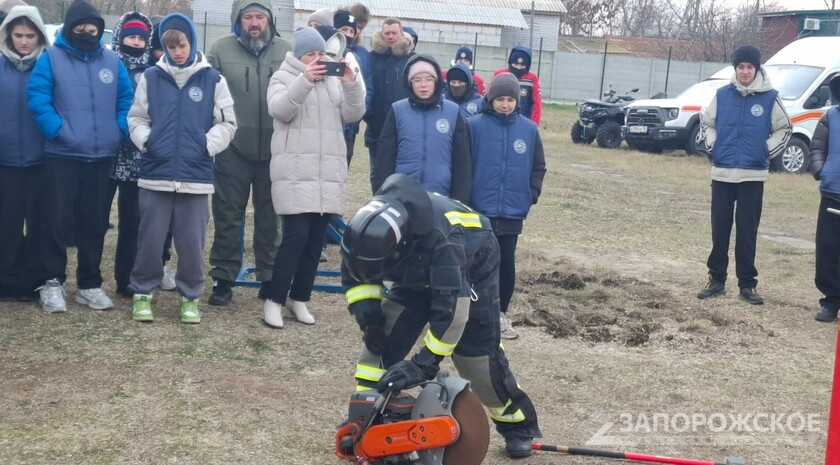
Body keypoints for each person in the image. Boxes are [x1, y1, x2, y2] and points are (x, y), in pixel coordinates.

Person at [340, 173, 542, 459]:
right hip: (417, 270)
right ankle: (365, 418)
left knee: (475, 359)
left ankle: (517, 426)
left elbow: (453, 313)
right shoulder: (364, 237)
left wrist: (425, 363)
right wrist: (369, 319)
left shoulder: (445, 243)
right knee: (379, 342)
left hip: (473, 261)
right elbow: (357, 278)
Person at [127, 13, 236, 323]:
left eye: (182, 44)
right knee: (149, 241)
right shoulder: (150, 77)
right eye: (170, 46)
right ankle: (143, 293)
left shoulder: (213, 79)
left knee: (191, 243)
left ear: (192, 42)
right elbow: (135, 118)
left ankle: (190, 296)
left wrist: (206, 146)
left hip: (195, 177)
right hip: (155, 175)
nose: (177, 52)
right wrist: (148, 142)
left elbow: (227, 123)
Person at [27, 0, 134, 313]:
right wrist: (59, 130)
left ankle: (89, 284)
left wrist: (118, 129)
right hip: (62, 155)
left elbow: (126, 100)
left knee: (94, 224)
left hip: (101, 157)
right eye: (80, 27)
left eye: (92, 29)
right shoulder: (51, 59)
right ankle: (52, 281)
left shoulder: (113, 62)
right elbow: (37, 99)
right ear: (69, 28)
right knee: (56, 221)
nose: (86, 33)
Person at [262, 27, 364, 328]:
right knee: (295, 239)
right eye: (311, 55)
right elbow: (279, 109)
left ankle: (300, 298)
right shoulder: (283, 77)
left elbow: (353, 114)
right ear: (299, 56)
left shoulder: (335, 82)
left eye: (321, 54)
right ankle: (274, 300)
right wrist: (305, 80)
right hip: (295, 174)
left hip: (326, 175)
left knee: (315, 241)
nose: (318, 59)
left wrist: (351, 83)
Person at [205, 0, 293, 307]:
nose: (254, 23)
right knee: (228, 214)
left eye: (259, 17)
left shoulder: (287, 52)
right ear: (237, 19)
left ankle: (269, 277)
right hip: (233, 148)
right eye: (247, 17)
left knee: (271, 217)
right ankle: (223, 277)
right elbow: (207, 97)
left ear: (269, 20)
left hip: (275, 149)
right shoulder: (219, 49)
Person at [696, 44, 791, 305]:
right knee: (720, 230)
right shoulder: (722, 95)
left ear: (757, 68)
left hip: (752, 176)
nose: (745, 71)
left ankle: (747, 284)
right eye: (741, 67)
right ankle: (716, 280)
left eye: (750, 67)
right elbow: (707, 123)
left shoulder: (770, 97)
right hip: (723, 174)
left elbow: (784, 129)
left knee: (747, 232)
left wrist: (765, 149)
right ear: (735, 69)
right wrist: (713, 145)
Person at [467, 72, 546, 340]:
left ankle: (500, 313)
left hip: (512, 212)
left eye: (510, 99)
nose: (504, 104)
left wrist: (530, 194)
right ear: (490, 99)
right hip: (479, 211)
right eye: (499, 99)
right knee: (474, 264)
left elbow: (538, 167)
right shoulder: (474, 126)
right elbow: (463, 165)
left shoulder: (529, 130)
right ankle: (471, 314)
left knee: (505, 264)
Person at [106, 12, 177, 298]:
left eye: (139, 37)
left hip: (139, 157)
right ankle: (88, 278)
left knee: (133, 221)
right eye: (130, 36)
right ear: (119, 37)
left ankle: (128, 278)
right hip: (109, 152)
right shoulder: (110, 65)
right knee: (97, 220)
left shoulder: (151, 70)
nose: (134, 42)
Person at [374, 54, 471, 204]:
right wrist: (382, 196)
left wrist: (459, 201)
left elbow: (462, 162)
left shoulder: (453, 112)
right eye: (417, 80)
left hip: (442, 199)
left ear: (437, 81)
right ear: (409, 83)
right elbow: (384, 160)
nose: (423, 85)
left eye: (428, 79)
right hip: (402, 198)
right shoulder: (397, 111)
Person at [0, 5, 47, 302]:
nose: (24, 41)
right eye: (18, 35)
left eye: (30, 35)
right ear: (8, 35)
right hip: (5, 160)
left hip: (41, 159)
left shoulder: (49, 65)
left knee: (40, 223)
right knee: (7, 223)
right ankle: (6, 280)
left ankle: (32, 281)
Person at [363, 17, 414, 193]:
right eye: (387, 33)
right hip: (376, 127)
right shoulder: (371, 59)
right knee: (376, 172)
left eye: (394, 33)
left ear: (401, 34)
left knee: (400, 173)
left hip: (403, 128)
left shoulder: (411, 60)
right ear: (381, 35)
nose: (391, 36)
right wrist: (368, 114)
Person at [807, 74, 840, 322]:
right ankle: (830, 301)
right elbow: (817, 146)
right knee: (827, 250)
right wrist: (821, 169)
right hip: (832, 192)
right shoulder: (830, 116)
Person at [334, 8, 368, 165]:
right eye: (343, 29)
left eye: (351, 30)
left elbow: (366, 88)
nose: (347, 34)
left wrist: (359, 109)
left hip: (350, 125)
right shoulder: (324, 54)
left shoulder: (361, 56)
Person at [494, 45, 541, 125]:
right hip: (499, 119)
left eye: (522, 65)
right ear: (510, 62)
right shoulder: (500, 74)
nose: (518, 68)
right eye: (515, 64)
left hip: (524, 120)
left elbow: (536, 104)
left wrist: (533, 125)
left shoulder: (532, 79)